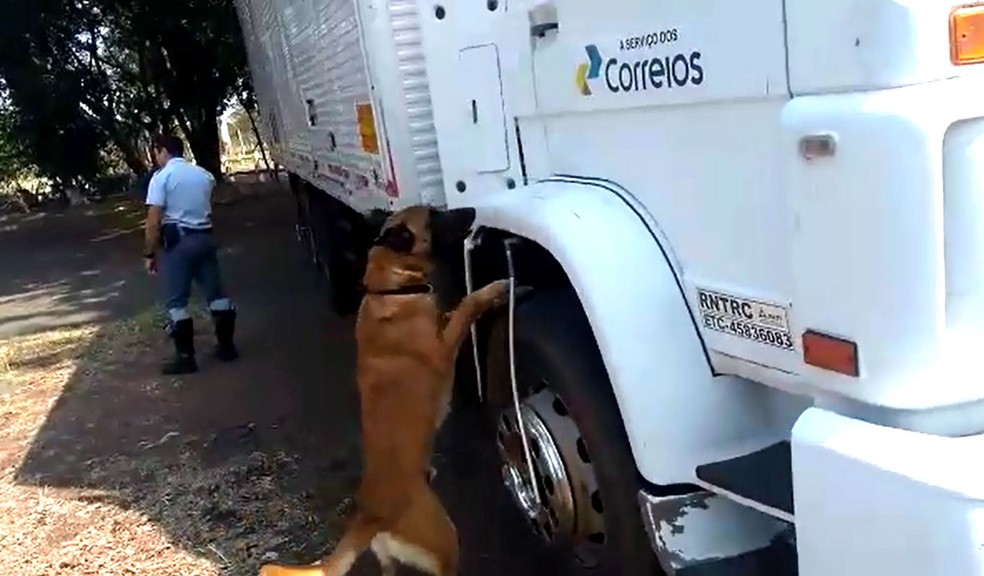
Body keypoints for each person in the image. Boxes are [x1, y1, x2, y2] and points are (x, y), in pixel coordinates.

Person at [142, 134, 239, 374]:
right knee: (216, 294)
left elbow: (153, 220)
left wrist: (149, 253)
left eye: (156, 152)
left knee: (176, 301)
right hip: (204, 237)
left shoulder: (162, 178)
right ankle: (227, 347)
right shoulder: (203, 175)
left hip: (179, 243)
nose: (156, 157)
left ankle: (186, 357)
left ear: (163, 151)